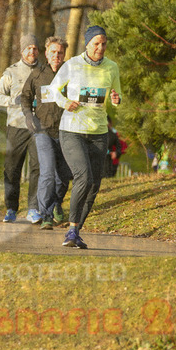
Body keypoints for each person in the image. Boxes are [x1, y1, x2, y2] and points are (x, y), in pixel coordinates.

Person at [48, 25, 121, 249]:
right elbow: (53, 90)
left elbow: (116, 94)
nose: (100, 47)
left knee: (94, 184)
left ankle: (76, 230)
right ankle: (71, 230)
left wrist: (117, 99)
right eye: (96, 43)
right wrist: (65, 102)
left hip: (99, 132)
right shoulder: (72, 65)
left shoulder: (111, 67)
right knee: (84, 176)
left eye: (104, 44)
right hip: (72, 129)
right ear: (87, 44)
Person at [20, 36, 73, 230]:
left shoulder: (72, 73)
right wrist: (28, 116)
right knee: (48, 173)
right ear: (46, 53)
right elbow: (25, 97)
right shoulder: (37, 74)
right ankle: (46, 214)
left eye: (60, 52)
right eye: (53, 52)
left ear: (64, 54)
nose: (56, 56)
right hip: (43, 130)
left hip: (67, 130)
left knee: (63, 177)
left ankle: (56, 202)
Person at [0, 34, 42, 224]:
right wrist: (12, 100)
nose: (32, 51)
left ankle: (33, 208)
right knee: (12, 168)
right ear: (22, 50)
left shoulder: (44, 70)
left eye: (35, 48)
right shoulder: (11, 72)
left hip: (39, 127)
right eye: (28, 48)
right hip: (16, 126)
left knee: (38, 167)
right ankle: (11, 208)